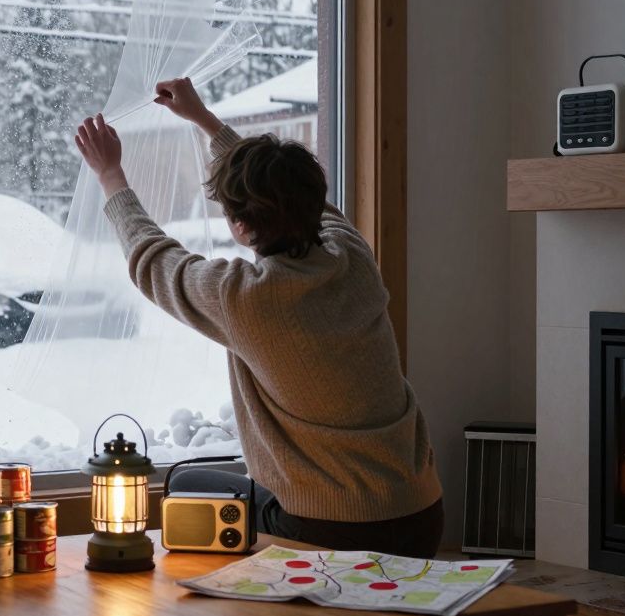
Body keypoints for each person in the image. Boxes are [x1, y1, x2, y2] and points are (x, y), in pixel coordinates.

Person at [73, 78, 444, 558]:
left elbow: (152, 259)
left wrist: (110, 175)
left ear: (241, 227)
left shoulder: (245, 298)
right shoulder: (354, 256)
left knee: (185, 483)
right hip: (421, 518)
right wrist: (205, 120)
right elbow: (304, 202)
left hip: (328, 534)